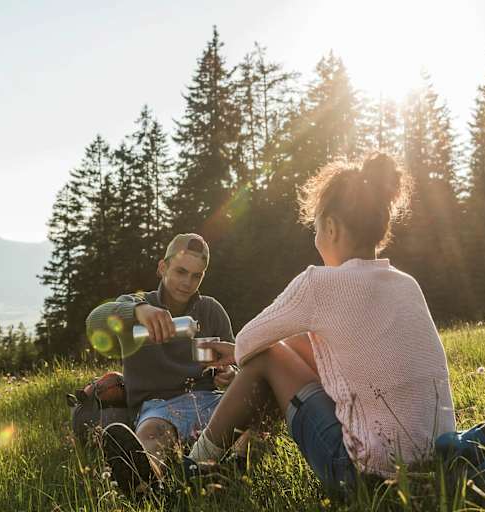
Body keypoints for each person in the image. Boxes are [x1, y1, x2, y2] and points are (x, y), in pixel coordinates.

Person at [187, 153, 457, 495]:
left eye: (316, 229)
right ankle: (238, 461)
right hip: (438, 469)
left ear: (331, 227)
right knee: (296, 347)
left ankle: (191, 468)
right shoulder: (407, 284)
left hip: (367, 480)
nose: (316, 240)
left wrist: (235, 351)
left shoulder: (320, 285)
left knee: (268, 357)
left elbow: (248, 344)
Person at [85, 233, 237, 494]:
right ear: (162, 267)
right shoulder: (135, 306)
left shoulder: (211, 310)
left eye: (196, 275)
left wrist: (230, 374)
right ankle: (146, 481)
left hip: (209, 400)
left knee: (253, 411)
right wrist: (137, 311)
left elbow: (236, 360)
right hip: (158, 407)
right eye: (180, 271)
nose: (187, 282)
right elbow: (94, 321)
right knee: (153, 434)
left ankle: (234, 466)